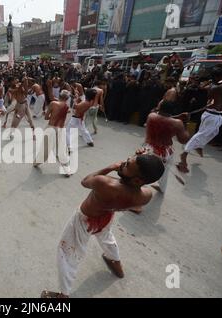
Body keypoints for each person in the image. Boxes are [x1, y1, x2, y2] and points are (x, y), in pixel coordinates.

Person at [41, 154, 165, 298]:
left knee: (67, 252)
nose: (123, 163)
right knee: (107, 238)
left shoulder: (105, 184)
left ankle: (63, 296)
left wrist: (110, 167)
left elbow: (85, 181)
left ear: (137, 179)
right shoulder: (146, 195)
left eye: (127, 165)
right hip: (107, 217)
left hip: (84, 220)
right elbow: (134, 182)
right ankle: (117, 265)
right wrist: (136, 163)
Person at [177, 69, 222, 173]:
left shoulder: (214, 85)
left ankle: (199, 146)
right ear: (218, 77)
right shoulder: (217, 87)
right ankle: (184, 154)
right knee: (200, 135)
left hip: (211, 115)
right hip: (212, 116)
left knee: (212, 132)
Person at [140, 101, 190, 194]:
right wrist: (185, 123)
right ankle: (161, 188)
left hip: (149, 147)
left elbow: (163, 118)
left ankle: (138, 188)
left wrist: (178, 117)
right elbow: (184, 140)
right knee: (164, 169)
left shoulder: (151, 116)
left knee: (144, 169)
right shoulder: (177, 123)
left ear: (160, 107)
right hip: (165, 151)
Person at [34, 90, 71, 177]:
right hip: (61, 129)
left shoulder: (53, 103)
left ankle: (36, 163)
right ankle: (67, 171)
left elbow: (46, 117)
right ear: (67, 98)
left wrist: (51, 116)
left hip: (51, 128)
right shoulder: (66, 106)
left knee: (45, 149)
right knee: (61, 150)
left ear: (60, 96)